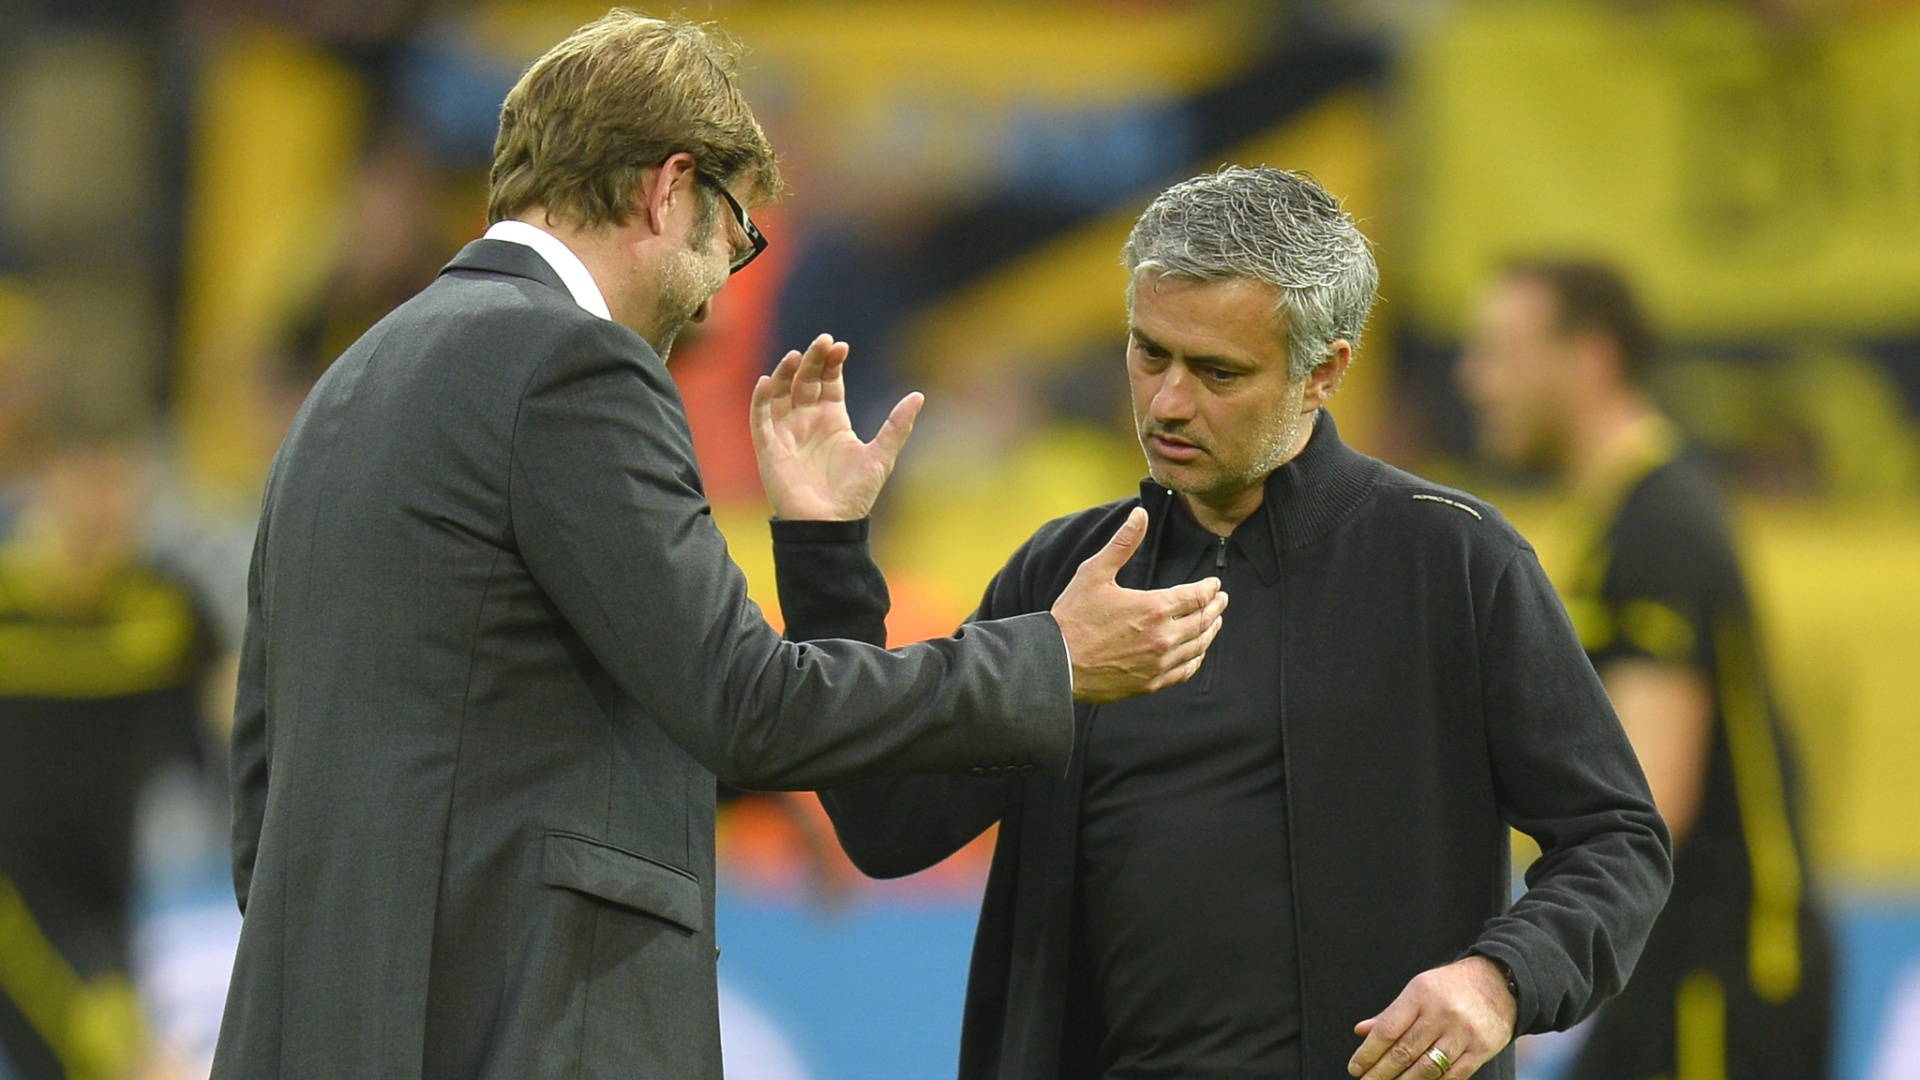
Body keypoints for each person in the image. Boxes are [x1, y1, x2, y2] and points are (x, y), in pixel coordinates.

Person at [211, 12, 1227, 1080]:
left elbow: (275, 788)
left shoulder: (346, 388)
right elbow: (746, 703)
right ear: (668, 187)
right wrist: (1051, 660)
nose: (722, 283)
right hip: (526, 1036)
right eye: (734, 234)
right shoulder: (573, 368)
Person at [764, 167, 1673, 1080]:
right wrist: (824, 551)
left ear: (1326, 371)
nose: (1167, 401)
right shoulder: (1065, 573)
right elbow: (888, 826)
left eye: (1217, 372)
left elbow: (1618, 839)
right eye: (1149, 353)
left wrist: (1499, 980)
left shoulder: (1451, 562)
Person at [1458, 260, 1832, 1079]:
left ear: (1588, 356)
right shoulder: (1610, 521)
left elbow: (1643, 801)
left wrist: (1512, 977)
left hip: (1724, 979)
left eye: (1498, 352)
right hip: (1662, 969)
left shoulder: (1659, 532)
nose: (1473, 379)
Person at [0, 431, 213, 1080]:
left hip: (110, 896)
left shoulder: (165, 609)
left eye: (119, 490)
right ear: (49, 488)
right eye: (87, 486)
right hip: (16, 898)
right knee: (129, 1064)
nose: (103, 509)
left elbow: (234, 707)